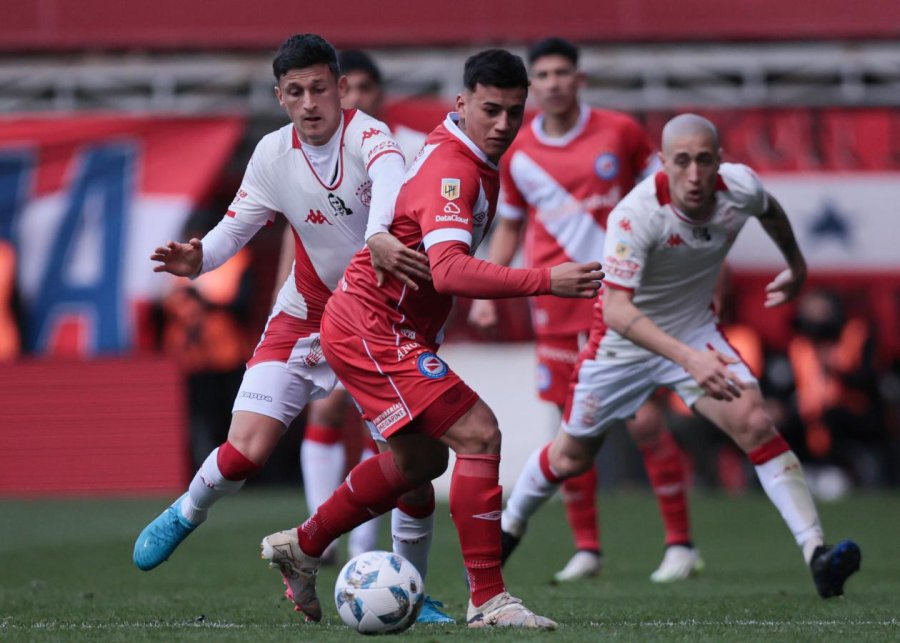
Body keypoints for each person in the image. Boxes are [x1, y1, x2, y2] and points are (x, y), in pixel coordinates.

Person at [260, 48, 604, 629]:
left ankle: (304, 544)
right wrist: (547, 280)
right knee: (480, 433)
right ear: (462, 103)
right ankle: (489, 599)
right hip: (372, 324)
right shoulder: (455, 168)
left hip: (382, 324)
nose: (503, 125)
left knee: (419, 460)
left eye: (514, 113)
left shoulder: (470, 157)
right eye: (491, 110)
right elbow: (447, 270)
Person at [133, 33, 453, 623]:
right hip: (303, 318)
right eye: (296, 92)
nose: (310, 103)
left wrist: (379, 233)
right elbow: (235, 228)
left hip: (377, 325)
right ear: (281, 97)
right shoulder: (271, 154)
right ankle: (186, 512)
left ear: (341, 88)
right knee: (244, 451)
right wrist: (198, 259)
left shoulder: (372, 138)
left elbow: (387, 187)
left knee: (411, 469)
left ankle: (416, 590)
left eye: (320, 89)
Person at [500, 113, 861, 599]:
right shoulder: (636, 214)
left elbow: (770, 209)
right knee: (571, 454)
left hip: (693, 330)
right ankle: (509, 527)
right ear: (663, 163)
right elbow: (617, 310)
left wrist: (796, 266)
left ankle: (817, 554)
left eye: (705, 161)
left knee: (754, 421)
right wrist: (690, 361)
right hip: (621, 344)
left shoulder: (740, 189)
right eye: (683, 162)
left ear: (720, 163)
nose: (694, 175)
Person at [469, 37, 698, 583]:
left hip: (618, 297)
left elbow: (661, 202)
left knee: (643, 419)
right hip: (553, 302)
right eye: (542, 75)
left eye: (561, 72)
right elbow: (512, 226)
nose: (552, 83)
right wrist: (485, 293)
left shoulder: (619, 132)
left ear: (579, 79)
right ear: (532, 88)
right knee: (568, 428)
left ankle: (681, 544)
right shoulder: (519, 153)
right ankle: (588, 549)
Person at [278, 49, 434, 582]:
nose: (358, 98)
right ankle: (323, 539)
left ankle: (361, 543)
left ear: (378, 94)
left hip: (391, 312)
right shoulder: (309, 152)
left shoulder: (409, 152)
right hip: (329, 307)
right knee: (326, 411)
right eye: (352, 89)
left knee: (391, 437)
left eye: (368, 88)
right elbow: (295, 230)